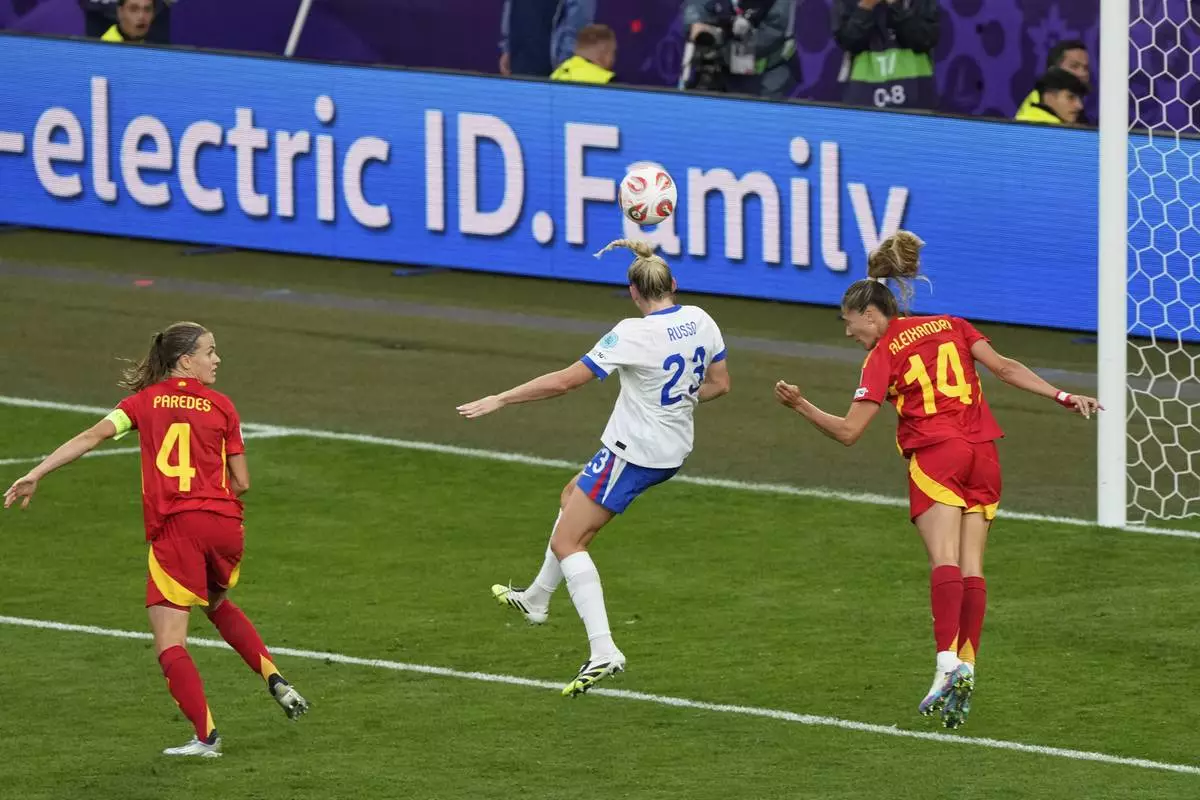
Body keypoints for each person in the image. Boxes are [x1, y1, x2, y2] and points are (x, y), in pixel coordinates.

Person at [772, 231, 1100, 729]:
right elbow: (1005, 368)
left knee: (944, 560)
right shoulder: (953, 324)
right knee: (973, 567)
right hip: (984, 454)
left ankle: (945, 664)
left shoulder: (882, 354)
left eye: (848, 322)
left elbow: (849, 432)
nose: (849, 333)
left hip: (938, 454)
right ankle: (967, 665)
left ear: (870, 314)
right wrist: (1062, 396)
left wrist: (800, 405)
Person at [3, 322, 309, 757]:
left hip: (178, 528)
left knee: (170, 640)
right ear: (185, 360)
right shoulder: (224, 406)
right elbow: (242, 481)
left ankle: (207, 738)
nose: (217, 359)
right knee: (216, 603)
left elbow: (91, 437)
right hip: (226, 525)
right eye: (210, 352)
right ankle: (274, 678)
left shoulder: (141, 403)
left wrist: (35, 473)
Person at [458, 240, 731, 696]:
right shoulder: (702, 319)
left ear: (633, 292)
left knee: (568, 541)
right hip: (673, 448)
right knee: (572, 495)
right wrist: (678, 397)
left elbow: (566, 382)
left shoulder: (632, 333)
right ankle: (537, 598)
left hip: (635, 452)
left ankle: (603, 650)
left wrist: (501, 398)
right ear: (674, 284)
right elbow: (719, 385)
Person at [680, 0, 801, 99]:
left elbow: (770, 35)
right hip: (721, 75)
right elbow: (696, 7)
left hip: (769, 79)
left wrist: (720, 49)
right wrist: (696, 23)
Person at [831, 0, 940, 110]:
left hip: (916, 95)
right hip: (863, 96)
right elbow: (849, 42)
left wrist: (896, 7)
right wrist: (866, 7)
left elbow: (924, 39)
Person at [499, 0, 596, 78]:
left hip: (555, 67)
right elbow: (512, 7)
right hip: (519, 60)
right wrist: (508, 48)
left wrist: (565, 63)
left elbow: (578, 25)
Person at [1017, 39, 1091, 123]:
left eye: (1086, 68)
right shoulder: (1037, 120)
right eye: (1074, 66)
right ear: (1053, 70)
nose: (1082, 74)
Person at [1014, 67, 1089, 125]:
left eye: (1080, 98)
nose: (1080, 106)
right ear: (1049, 97)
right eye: (1071, 97)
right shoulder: (1053, 133)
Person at [550, 23, 617, 84]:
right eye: (613, 52)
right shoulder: (607, 81)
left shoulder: (557, 73)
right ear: (603, 52)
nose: (613, 59)